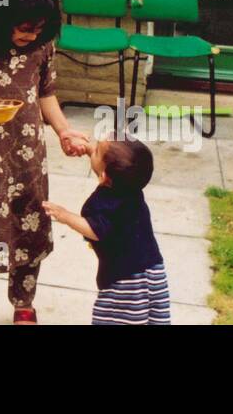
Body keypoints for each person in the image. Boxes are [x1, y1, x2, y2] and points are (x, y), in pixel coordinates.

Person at [0, 0, 90, 326]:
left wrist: (64, 132)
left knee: (28, 221)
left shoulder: (41, 47)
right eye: (24, 27)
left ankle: (24, 303)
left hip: (26, 153)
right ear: (1, 18)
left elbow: (46, 92)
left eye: (39, 28)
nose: (31, 34)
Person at [43, 137, 169, 325]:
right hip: (155, 273)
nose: (93, 149)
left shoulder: (103, 203)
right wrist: (88, 150)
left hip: (125, 282)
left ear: (104, 177)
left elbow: (95, 230)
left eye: (96, 152)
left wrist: (65, 216)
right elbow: (108, 162)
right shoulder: (132, 186)